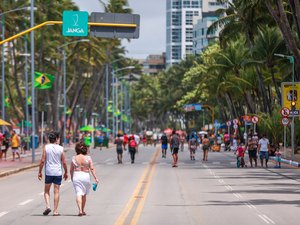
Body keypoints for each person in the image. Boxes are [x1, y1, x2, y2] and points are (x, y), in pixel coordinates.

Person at [38, 132, 68, 216]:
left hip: (49, 172)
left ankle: (48, 206)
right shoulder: (61, 148)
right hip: (58, 172)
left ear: (49, 139)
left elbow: (42, 161)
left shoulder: (46, 147)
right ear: (57, 139)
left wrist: (40, 171)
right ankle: (55, 211)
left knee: (46, 191)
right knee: (56, 191)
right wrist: (66, 172)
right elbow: (64, 162)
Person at [70, 142, 99, 216]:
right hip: (85, 176)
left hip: (77, 175)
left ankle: (79, 210)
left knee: (78, 193)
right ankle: (82, 210)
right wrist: (96, 178)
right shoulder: (88, 158)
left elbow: (71, 169)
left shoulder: (74, 158)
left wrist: (71, 177)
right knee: (84, 194)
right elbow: (92, 168)